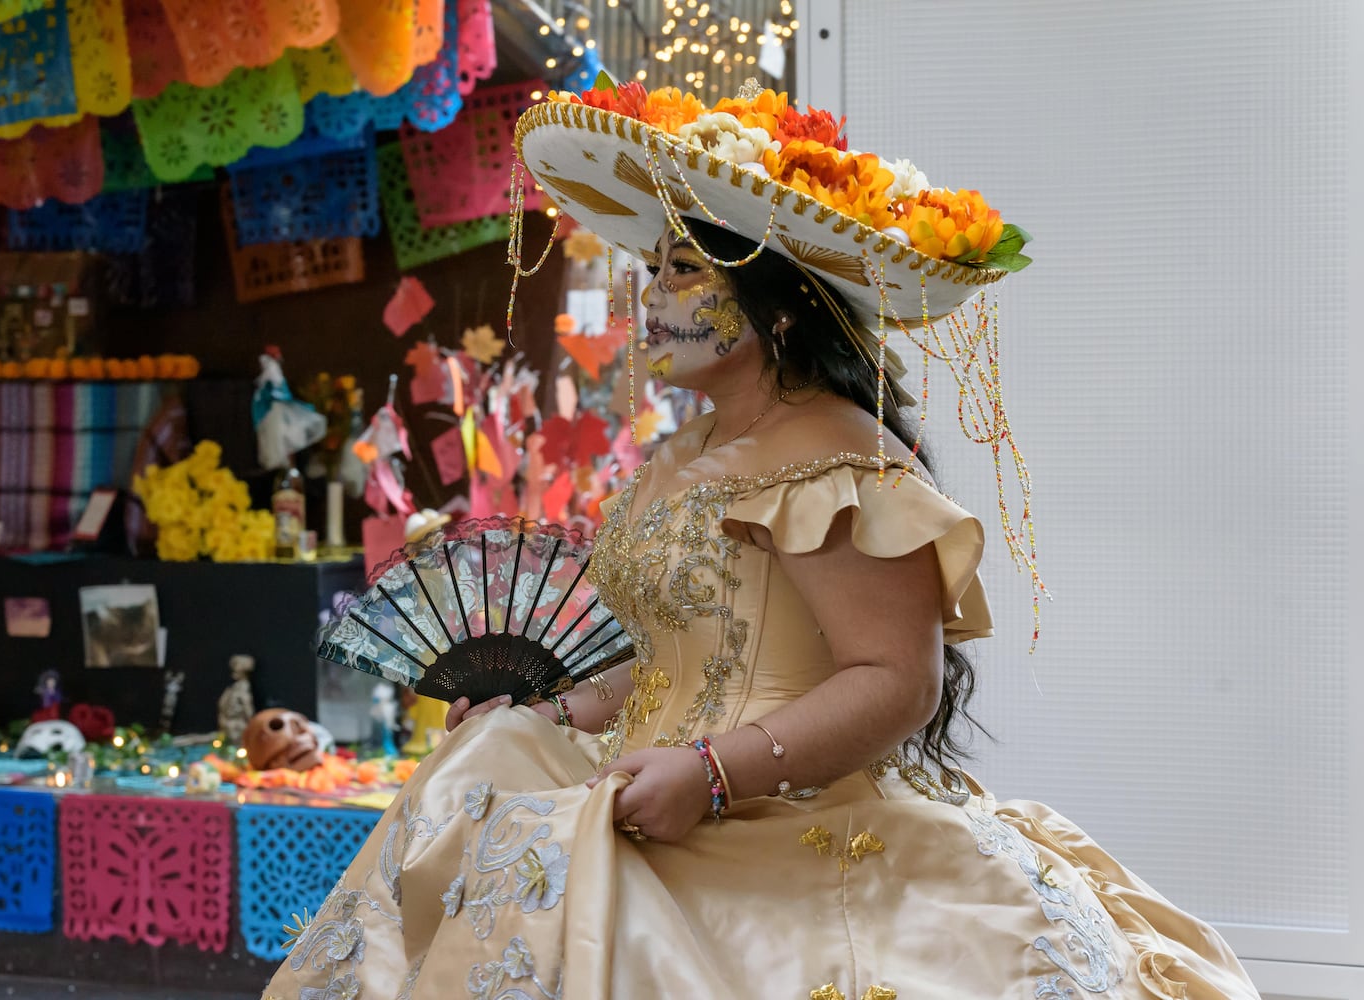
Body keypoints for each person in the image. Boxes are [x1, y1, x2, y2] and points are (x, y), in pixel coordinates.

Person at [261, 83, 1260, 999]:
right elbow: (666, 668)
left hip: (783, 815)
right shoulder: (678, 453)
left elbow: (894, 679)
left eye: (682, 269)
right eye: (650, 268)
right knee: (487, 766)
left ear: (774, 299)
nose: (648, 297)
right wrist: (553, 710)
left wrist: (712, 772)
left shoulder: (835, 453)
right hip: (645, 785)